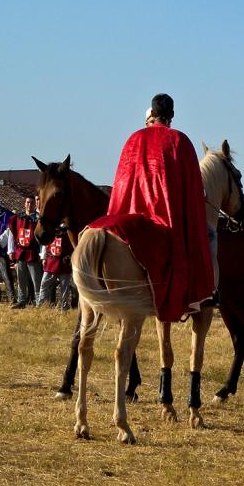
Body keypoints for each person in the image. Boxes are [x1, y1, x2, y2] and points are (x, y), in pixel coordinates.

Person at [88, 93, 214, 321]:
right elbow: (193, 193)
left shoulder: (133, 139)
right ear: (171, 116)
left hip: (130, 213)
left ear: (152, 113)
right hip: (165, 221)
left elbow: (122, 183)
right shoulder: (180, 141)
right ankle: (202, 295)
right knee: (210, 236)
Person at [10, 196, 44, 308]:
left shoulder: (39, 219)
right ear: (24, 204)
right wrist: (11, 250)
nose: (29, 205)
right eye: (27, 202)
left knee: (36, 279)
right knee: (21, 279)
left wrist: (41, 253)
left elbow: (42, 238)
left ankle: (39, 302)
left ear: (35, 205)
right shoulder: (17, 218)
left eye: (32, 203)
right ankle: (22, 301)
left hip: (32, 252)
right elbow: (12, 234)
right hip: (20, 251)